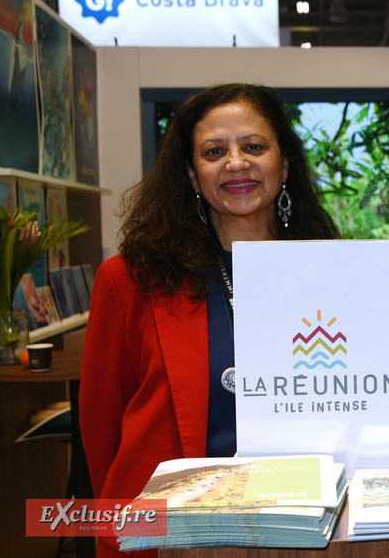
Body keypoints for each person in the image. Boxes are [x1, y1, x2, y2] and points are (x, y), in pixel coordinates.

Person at [80, 83, 338, 558]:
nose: (236, 163)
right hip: (171, 534)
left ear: (284, 165)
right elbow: (100, 428)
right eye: (214, 151)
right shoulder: (130, 279)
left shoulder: (331, 273)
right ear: (193, 176)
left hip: (302, 528)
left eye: (254, 146)